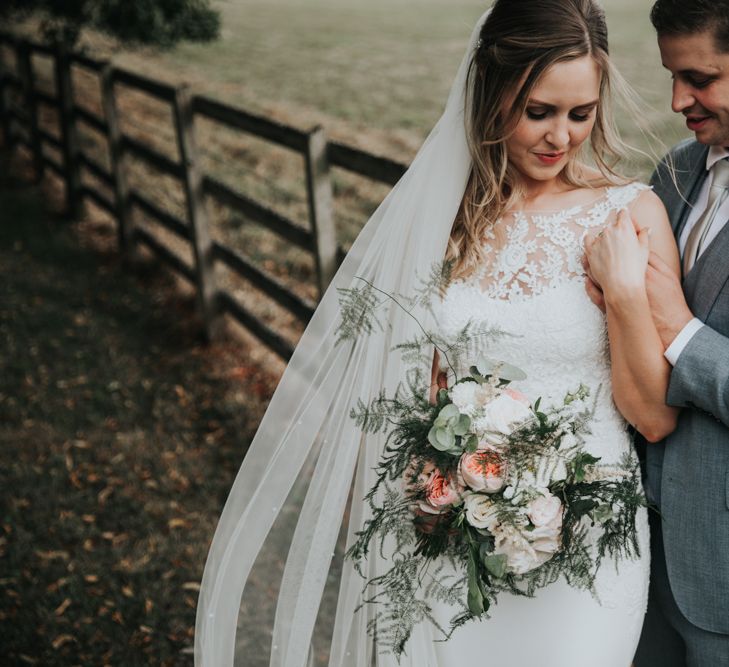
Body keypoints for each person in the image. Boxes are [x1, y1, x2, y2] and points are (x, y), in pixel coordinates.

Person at [195, 1, 677, 665]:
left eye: (580, 113)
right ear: (490, 95)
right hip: (457, 537)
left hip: (588, 550)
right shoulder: (446, 222)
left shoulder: (630, 214)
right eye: (537, 110)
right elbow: (416, 391)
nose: (559, 137)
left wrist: (622, 294)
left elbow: (651, 415)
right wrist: (433, 482)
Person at [585, 1, 729, 665]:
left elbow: (666, 326)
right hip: (633, 554)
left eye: (698, 78)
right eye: (672, 76)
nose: (677, 100)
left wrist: (681, 334)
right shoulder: (675, 171)